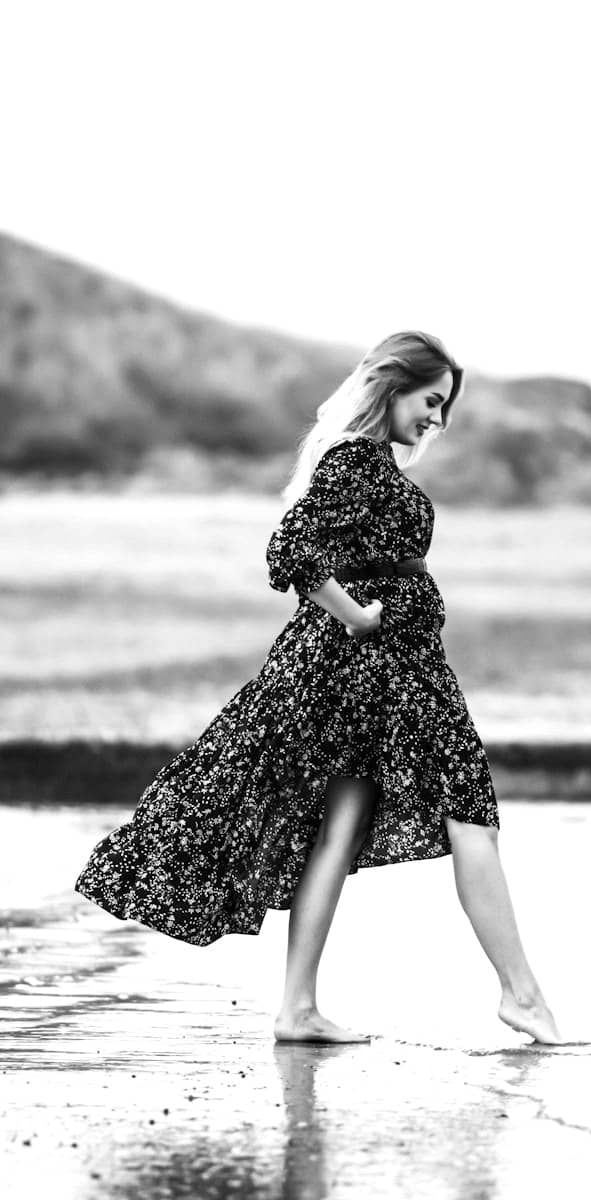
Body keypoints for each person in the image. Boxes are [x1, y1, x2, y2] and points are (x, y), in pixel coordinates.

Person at [74, 330, 564, 1046]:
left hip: (383, 672)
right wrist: (361, 617)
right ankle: (522, 995)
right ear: (392, 386)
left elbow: (312, 550)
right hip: (375, 671)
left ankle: (298, 1008)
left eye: (446, 408)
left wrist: (367, 616)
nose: (437, 420)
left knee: (342, 831)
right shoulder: (358, 462)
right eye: (432, 401)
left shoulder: (365, 465)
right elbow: (293, 550)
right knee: (471, 816)